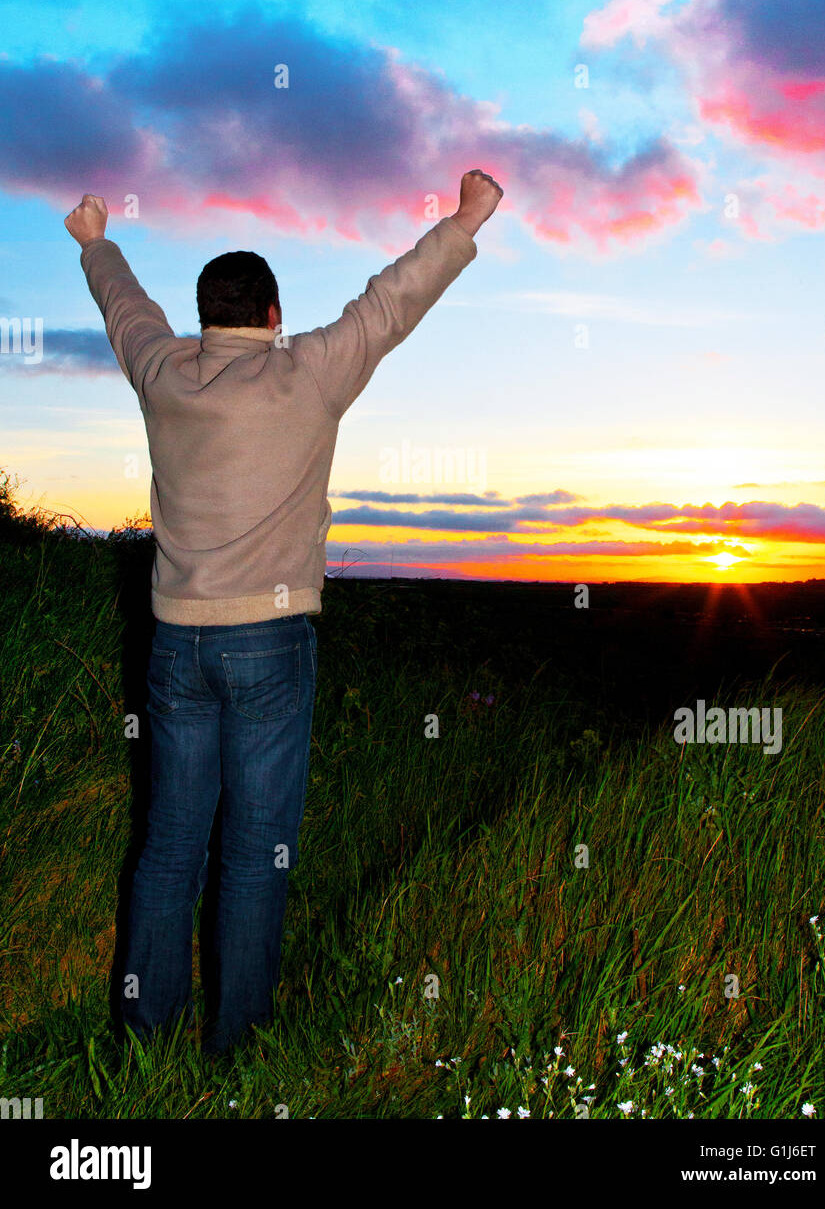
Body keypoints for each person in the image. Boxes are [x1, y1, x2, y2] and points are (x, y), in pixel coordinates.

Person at [63, 170, 503, 1055]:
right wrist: (464, 221)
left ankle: (146, 1047)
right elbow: (390, 304)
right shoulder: (306, 375)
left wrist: (95, 241)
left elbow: (125, 307)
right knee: (255, 857)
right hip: (268, 646)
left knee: (167, 849)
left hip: (177, 645)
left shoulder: (163, 374)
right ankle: (238, 1052)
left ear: (204, 318)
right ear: (271, 315)